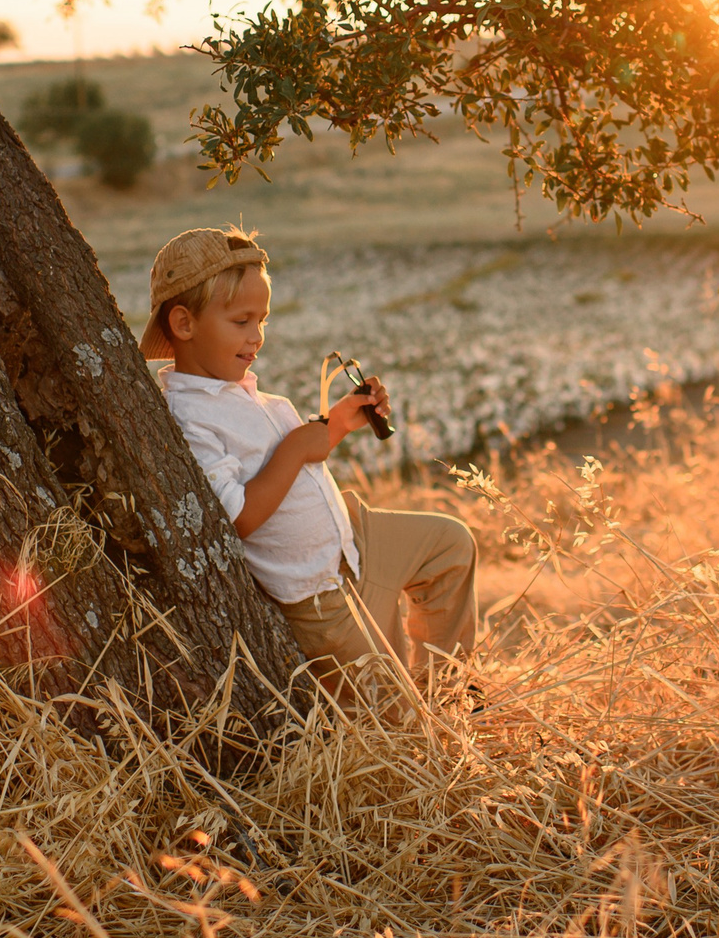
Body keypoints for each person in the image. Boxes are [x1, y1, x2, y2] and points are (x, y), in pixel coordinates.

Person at [142, 228, 476, 695]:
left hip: (354, 541)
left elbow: (296, 463)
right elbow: (238, 517)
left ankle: (449, 694)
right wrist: (297, 446)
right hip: (318, 597)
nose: (257, 337)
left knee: (451, 547)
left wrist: (337, 424)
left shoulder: (250, 394)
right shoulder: (189, 416)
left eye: (262, 321)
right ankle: (420, 714)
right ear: (184, 324)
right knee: (393, 715)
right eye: (241, 321)